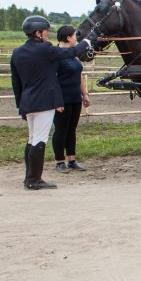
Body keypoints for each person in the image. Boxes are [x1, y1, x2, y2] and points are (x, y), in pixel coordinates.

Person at [11, 15, 94, 190]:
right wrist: (87, 41)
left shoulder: (17, 52)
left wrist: (21, 106)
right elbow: (71, 52)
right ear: (38, 33)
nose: (48, 34)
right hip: (44, 102)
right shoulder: (45, 49)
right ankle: (35, 180)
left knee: (32, 139)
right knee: (39, 139)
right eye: (46, 31)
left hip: (28, 103)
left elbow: (16, 83)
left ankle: (29, 177)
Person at [52, 25, 91, 172]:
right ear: (68, 37)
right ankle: (59, 161)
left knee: (71, 130)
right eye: (75, 35)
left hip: (75, 98)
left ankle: (72, 159)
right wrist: (56, 100)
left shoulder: (73, 55)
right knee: (61, 130)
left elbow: (80, 75)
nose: (76, 38)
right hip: (62, 99)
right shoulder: (56, 56)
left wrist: (85, 94)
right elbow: (53, 80)